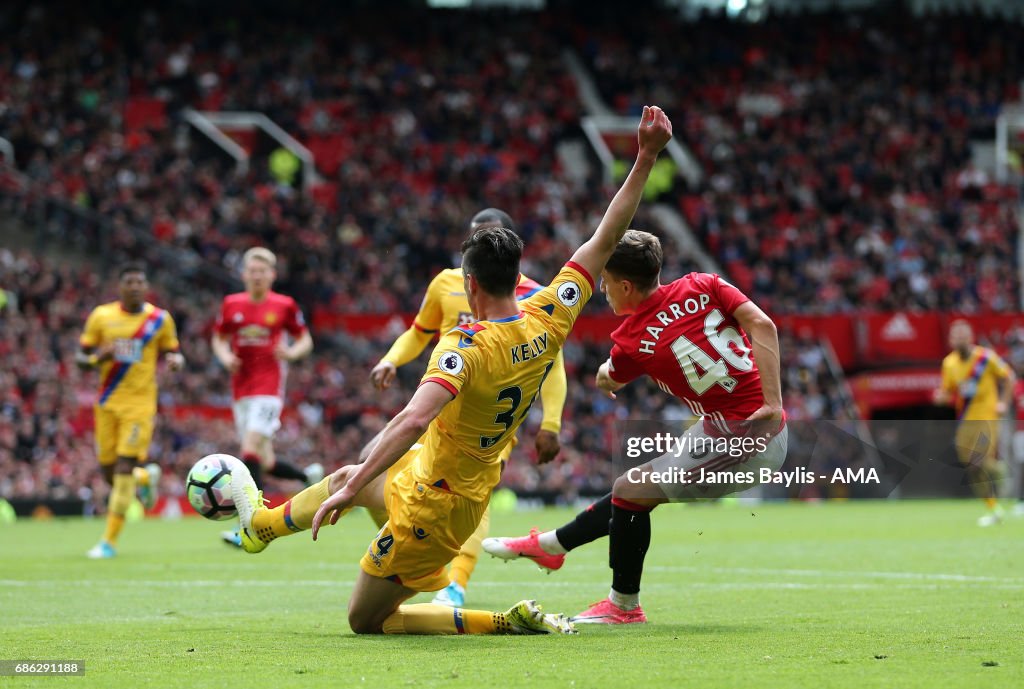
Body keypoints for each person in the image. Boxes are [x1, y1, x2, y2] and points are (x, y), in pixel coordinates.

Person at [229, 106, 673, 635]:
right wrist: (644, 156)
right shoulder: (551, 314)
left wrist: (351, 493)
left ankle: (503, 622)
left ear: (469, 285)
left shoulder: (465, 347)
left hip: (434, 505)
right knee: (355, 474)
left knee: (365, 620)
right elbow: (605, 236)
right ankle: (262, 526)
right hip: (449, 478)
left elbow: (415, 419)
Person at [483, 229, 788, 624]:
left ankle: (623, 606)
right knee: (631, 490)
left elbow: (611, 377)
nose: (603, 291)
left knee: (629, 490)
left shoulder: (631, 338)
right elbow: (764, 325)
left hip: (746, 442)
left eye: (606, 283)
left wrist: (603, 374)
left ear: (625, 285)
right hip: (741, 425)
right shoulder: (705, 283)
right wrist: (774, 402)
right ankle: (551, 546)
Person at [367, 207, 568, 608]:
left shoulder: (532, 295)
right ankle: (417, 550)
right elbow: (418, 332)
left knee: (475, 492)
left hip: (487, 413)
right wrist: (391, 359)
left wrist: (551, 422)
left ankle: (454, 585)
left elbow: (553, 363)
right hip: (441, 401)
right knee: (372, 463)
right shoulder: (445, 283)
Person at [211, 247, 320, 547]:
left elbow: (305, 340)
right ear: (244, 274)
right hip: (241, 389)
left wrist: (291, 353)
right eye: (252, 271)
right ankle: (309, 476)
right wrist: (224, 357)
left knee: (247, 452)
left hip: (269, 389)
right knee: (265, 460)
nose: (257, 276)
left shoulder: (283, 305)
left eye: (263, 271)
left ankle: (251, 526)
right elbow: (218, 338)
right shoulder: (231, 304)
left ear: (272, 274)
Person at [77, 264, 184, 558]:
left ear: (146, 286)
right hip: (107, 404)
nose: (135, 286)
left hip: (139, 405)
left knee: (123, 468)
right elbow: (80, 358)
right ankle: (144, 478)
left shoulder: (159, 319)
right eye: (130, 282)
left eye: (140, 282)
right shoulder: (102, 316)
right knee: (109, 474)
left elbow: (172, 351)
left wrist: (176, 360)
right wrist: (100, 357)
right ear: (120, 285)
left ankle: (108, 542)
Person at [934, 320, 1015, 526]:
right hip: (965, 421)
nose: (959, 339)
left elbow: (1009, 377)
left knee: (979, 461)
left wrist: (1003, 403)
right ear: (951, 340)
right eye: (955, 335)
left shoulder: (986, 358)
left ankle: (1001, 471)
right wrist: (941, 397)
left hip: (986, 417)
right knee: (971, 467)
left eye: (963, 335)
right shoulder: (949, 363)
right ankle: (993, 509)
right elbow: (949, 390)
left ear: (970, 338)